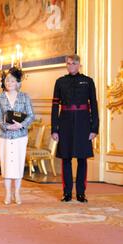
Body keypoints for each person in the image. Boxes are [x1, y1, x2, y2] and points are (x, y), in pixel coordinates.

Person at [51, 54, 99, 203]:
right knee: (66, 159)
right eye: (68, 63)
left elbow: (94, 106)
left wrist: (94, 129)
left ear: (79, 65)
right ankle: (66, 193)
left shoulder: (88, 81)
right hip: (65, 122)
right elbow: (54, 107)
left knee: (82, 159)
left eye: (73, 63)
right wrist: (54, 129)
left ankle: (80, 193)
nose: (70, 66)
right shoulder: (60, 82)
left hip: (83, 124)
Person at [0, 67, 35, 205]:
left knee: (17, 164)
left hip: (20, 136)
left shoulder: (25, 97)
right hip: (4, 136)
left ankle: (17, 193)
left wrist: (21, 125)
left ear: (18, 82)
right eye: (7, 80)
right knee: (6, 164)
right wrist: (6, 126)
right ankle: (7, 194)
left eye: (12, 80)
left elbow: (31, 115)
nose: (9, 83)